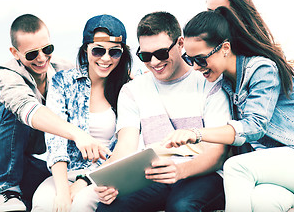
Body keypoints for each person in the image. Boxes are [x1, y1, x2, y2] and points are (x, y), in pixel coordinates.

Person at [164, 7, 294, 211]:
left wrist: (196, 134)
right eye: (190, 59)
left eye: (201, 59)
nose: (196, 67)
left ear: (225, 48)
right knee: (262, 201)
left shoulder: (262, 69)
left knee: (236, 167)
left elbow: (254, 127)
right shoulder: (225, 83)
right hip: (286, 179)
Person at [0, 14, 111, 212]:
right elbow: (28, 109)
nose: (42, 58)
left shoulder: (62, 69)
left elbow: (96, 72)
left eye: (47, 49)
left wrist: (133, 76)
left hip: (22, 159)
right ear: (15, 53)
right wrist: (77, 134)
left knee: (56, 179)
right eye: (32, 54)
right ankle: (7, 190)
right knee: (15, 111)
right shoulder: (7, 74)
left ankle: (14, 200)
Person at [94, 11, 231, 212]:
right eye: (145, 56)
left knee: (181, 206)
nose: (155, 63)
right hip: (154, 174)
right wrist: (109, 181)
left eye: (161, 53)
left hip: (203, 173)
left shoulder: (208, 81)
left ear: (180, 44)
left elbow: (217, 153)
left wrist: (180, 171)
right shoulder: (132, 90)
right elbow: (125, 147)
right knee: (110, 208)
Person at [32, 14, 132, 212]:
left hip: (105, 174)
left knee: (81, 205)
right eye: (98, 50)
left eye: (115, 52)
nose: (105, 58)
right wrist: (63, 191)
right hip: (64, 173)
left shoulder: (128, 89)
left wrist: (84, 181)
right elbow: (55, 139)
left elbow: (125, 147)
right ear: (85, 49)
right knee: (43, 203)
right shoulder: (63, 82)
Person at [205, 0, 294, 68]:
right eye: (209, 12)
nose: (213, 18)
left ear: (238, 13)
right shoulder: (208, 52)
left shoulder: (260, 66)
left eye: (221, 12)